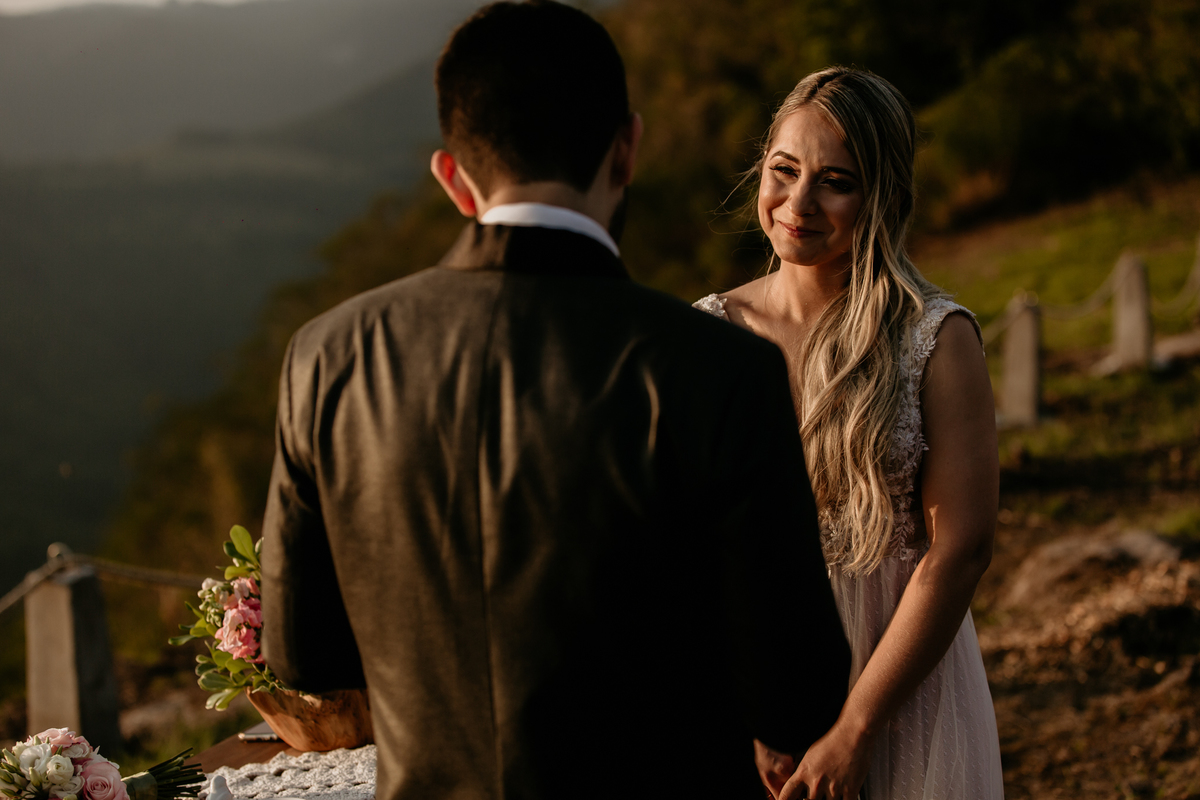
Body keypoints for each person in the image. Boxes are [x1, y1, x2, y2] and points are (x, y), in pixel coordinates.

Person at [259, 3, 851, 799]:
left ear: (452, 178)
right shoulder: (720, 369)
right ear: (628, 148)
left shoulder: (327, 355)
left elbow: (305, 657)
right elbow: (800, 693)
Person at [695, 67, 1004, 800]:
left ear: (884, 194)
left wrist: (856, 725)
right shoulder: (707, 333)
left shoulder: (934, 336)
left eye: (836, 180)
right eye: (784, 170)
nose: (799, 203)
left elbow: (961, 550)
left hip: (900, 686)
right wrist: (748, 712)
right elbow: (687, 548)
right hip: (750, 693)